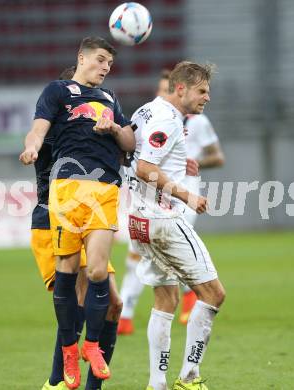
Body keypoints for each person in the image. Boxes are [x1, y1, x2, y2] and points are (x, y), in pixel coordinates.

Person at [20, 36, 135, 390]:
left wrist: (113, 128)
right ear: (81, 60)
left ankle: (86, 371)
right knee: (78, 296)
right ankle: (60, 378)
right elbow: (38, 131)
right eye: (99, 61)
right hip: (57, 207)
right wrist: (32, 146)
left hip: (101, 195)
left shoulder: (108, 101)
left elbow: (129, 145)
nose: (104, 69)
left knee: (108, 300)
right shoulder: (57, 99)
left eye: (109, 65)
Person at [125, 61, 225, 390]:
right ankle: (190, 377)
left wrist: (182, 162)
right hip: (163, 219)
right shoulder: (168, 120)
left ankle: (158, 383)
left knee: (165, 299)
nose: (207, 97)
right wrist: (186, 195)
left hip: (139, 220)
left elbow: (130, 148)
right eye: (202, 90)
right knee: (213, 294)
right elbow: (144, 167)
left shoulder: (146, 110)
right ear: (181, 88)